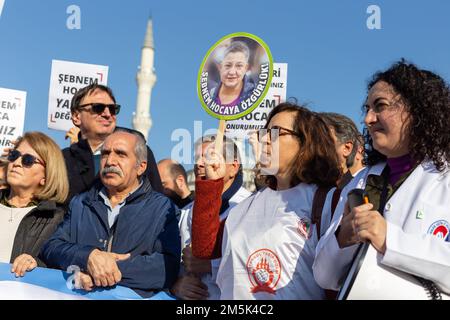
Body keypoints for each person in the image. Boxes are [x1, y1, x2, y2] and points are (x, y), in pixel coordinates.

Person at [313, 60, 450, 296]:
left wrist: (390, 240)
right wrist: (343, 238)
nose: (368, 119)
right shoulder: (360, 182)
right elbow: (324, 276)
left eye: (380, 106)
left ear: (417, 110)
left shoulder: (444, 177)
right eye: (367, 108)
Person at [191, 102, 341, 299]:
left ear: (306, 142)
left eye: (277, 132)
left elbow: (336, 280)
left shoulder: (328, 201)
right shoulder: (246, 207)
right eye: (265, 132)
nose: (266, 140)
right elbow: (204, 248)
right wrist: (212, 184)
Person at [40, 129, 181, 298]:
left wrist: (102, 270)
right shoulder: (81, 203)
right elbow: (52, 248)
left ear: (141, 167)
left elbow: (166, 267)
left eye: (121, 154)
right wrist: (87, 257)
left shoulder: (163, 209)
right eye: (105, 153)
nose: (110, 161)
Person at [172, 135, 251, 300]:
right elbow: (171, 261)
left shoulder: (249, 208)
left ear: (233, 167)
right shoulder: (186, 212)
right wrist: (176, 284)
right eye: (197, 158)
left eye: (210, 157)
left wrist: (212, 266)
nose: (200, 164)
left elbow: (258, 265)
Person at [63, 83, 163, 201]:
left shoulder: (139, 150)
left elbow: (157, 204)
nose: (107, 114)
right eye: (98, 107)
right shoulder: (61, 159)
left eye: (112, 109)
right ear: (76, 116)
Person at [0, 132, 68, 277]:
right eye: (14, 155)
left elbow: (62, 269)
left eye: (28, 160)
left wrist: (37, 264)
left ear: (46, 175)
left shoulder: (58, 220)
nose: (16, 163)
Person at [321, 112, 363, 188]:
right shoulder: (299, 191)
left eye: (320, 140)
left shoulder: (359, 191)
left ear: (347, 148)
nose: (311, 147)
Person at [210, 41, 255, 107]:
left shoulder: (254, 94)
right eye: (228, 65)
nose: (232, 72)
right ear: (220, 67)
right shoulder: (211, 94)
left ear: (246, 68)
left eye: (239, 66)